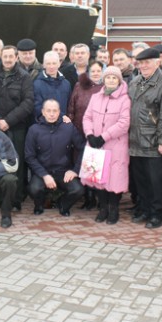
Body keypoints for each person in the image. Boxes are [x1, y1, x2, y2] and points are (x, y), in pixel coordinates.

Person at [0, 45, 34, 208]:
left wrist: (8, 121)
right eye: (6, 57)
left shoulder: (25, 77)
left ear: (16, 58)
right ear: (1, 58)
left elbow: (28, 102)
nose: (9, 59)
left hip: (17, 127)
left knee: (16, 163)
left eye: (12, 56)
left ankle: (16, 199)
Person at [128, 47, 162, 228]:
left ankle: (157, 213)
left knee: (156, 181)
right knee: (141, 180)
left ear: (157, 63)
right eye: (141, 63)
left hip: (153, 140)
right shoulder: (135, 82)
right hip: (134, 139)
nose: (144, 66)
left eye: (148, 62)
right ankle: (145, 209)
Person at [82, 66, 131, 224]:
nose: (110, 80)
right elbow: (87, 117)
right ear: (104, 79)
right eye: (108, 77)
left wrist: (104, 137)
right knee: (98, 179)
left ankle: (113, 209)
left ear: (119, 80)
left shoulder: (124, 99)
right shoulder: (96, 97)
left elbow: (124, 123)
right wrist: (90, 134)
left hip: (115, 145)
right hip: (95, 144)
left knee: (114, 179)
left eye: (114, 78)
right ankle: (102, 208)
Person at [26, 99, 85, 216]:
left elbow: (83, 148)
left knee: (78, 190)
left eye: (55, 111)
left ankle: (63, 204)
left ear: (59, 112)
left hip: (63, 170)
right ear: (43, 112)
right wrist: (44, 175)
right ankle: (39, 204)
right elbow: (29, 156)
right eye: (48, 111)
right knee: (34, 189)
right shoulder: (34, 130)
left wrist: (75, 170)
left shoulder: (68, 128)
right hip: (42, 171)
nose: (52, 114)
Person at [67, 61, 104, 210]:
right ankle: (87, 197)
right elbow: (71, 107)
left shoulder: (105, 88)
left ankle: (97, 197)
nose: (95, 73)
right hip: (79, 131)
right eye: (93, 71)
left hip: (97, 134)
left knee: (95, 165)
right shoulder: (79, 86)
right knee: (81, 163)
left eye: (98, 71)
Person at [33, 51, 71, 122]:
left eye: (54, 63)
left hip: (63, 124)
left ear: (59, 64)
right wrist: (60, 116)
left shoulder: (66, 84)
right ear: (44, 65)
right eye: (48, 63)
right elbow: (37, 108)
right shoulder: (37, 84)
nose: (51, 66)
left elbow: (69, 105)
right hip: (44, 124)